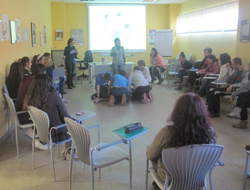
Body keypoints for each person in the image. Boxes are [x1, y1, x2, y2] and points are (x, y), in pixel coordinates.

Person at [146, 93, 216, 189]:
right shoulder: (209, 132)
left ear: (177, 112)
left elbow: (150, 155)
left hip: (169, 179)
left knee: (156, 154)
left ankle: (160, 184)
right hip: (197, 178)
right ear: (203, 112)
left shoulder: (166, 133)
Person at [23, 74, 71, 152]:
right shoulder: (55, 97)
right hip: (56, 132)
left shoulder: (30, 98)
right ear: (49, 83)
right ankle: (69, 151)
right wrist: (74, 120)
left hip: (41, 132)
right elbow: (65, 117)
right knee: (75, 125)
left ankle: (68, 150)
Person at [226, 62, 250, 129]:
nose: (247, 66)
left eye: (248, 65)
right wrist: (228, 70)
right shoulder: (236, 71)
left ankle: (237, 111)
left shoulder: (245, 73)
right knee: (243, 98)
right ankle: (241, 118)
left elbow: (245, 87)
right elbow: (228, 80)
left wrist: (233, 94)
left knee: (242, 96)